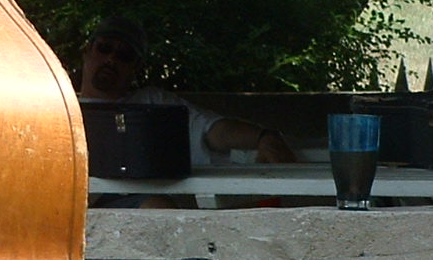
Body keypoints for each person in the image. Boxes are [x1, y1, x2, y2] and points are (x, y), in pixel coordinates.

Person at [79, 15, 296, 166]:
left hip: (131, 202)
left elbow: (212, 129)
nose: (111, 59)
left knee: (158, 206)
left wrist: (263, 137)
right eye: (105, 48)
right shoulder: (57, 107)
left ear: (135, 67)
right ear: (88, 50)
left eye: (124, 56)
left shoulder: (152, 102)